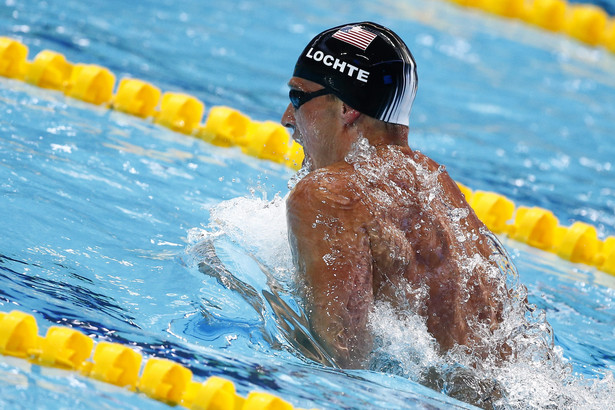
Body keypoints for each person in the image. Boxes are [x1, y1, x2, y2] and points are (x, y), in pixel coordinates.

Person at [281, 22, 508, 369]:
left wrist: (248, 286)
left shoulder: (326, 194)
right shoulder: (436, 184)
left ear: (346, 108)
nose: (286, 118)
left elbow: (338, 359)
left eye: (298, 98)